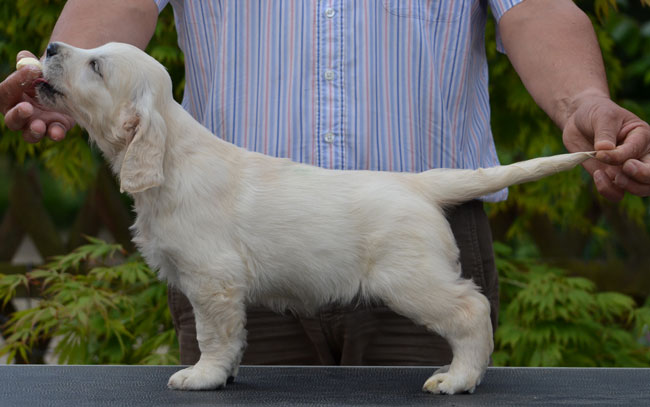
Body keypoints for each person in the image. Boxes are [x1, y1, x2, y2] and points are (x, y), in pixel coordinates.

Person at [1, 0, 649, 366]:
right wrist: (54, 82)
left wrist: (583, 103)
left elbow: (535, 11)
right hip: (233, 241)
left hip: (410, 231)